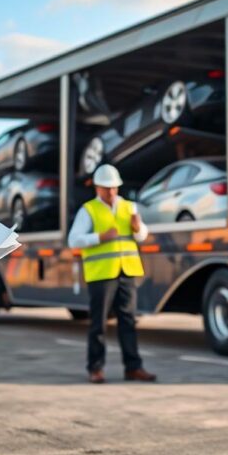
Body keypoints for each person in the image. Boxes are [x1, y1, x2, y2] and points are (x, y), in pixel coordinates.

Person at [67, 164, 157, 384]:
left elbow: (142, 235)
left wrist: (139, 229)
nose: (111, 192)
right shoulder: (88, 210)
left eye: (115, 187)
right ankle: (95, 369)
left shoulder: (129, 207)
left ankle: (133, 368)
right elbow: (73, 240)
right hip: (102, 274)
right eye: (107, 188)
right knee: (98, 323)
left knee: (128, 322)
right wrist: (99, 237)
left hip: (127, 271)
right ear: (97, 188)